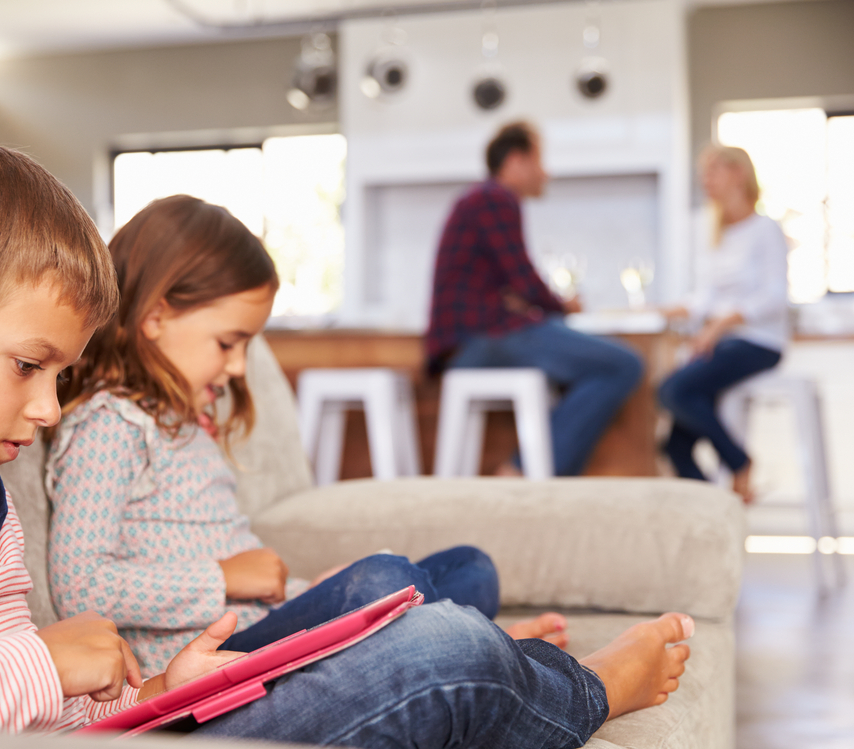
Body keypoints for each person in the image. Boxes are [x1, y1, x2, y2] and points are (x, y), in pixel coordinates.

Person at [0, 141, 693, 749]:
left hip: (105, 748)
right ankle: (586, 688)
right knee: (444, 655)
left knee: (434, 631)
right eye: (30, 367)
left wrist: (150, 693)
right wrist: (39, 659)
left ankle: (530, 676)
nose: (48, 407)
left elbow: (9, 689)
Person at [46, 194, 568, 675]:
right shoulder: (109, 425)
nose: (237, 367)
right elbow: (80, 586)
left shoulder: (184, 424)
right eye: (228, 343)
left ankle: (454, 641)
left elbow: (251, 581)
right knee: (382, 582)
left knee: (470, 568)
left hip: (265, 621)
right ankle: (464, 643)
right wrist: (223, 579)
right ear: (156, 317)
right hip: (213, 658)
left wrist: (308, 591)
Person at [425, 121, 643, 476]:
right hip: (483, 339)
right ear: (515, 161)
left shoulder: (476, 199)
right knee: (624, 364)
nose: (546, 173)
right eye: (540, 161)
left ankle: (533, 472)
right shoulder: (495, 198)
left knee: (586, 366)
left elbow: (511, 286)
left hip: (469, 342)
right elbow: (525, 281)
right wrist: (564, 305)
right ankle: (523, 471)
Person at [658, 145, 788, 502]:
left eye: (713, 172)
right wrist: (663, 311)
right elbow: (706, 299)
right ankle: (716, 509)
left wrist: (718, 326)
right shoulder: (720, 234)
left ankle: (740, 462)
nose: (706, 181)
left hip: (757, 342)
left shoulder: (765, 230)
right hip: (722, 343)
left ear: (738, 174)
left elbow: (775, 297)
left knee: (672, 391)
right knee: (674, 448)